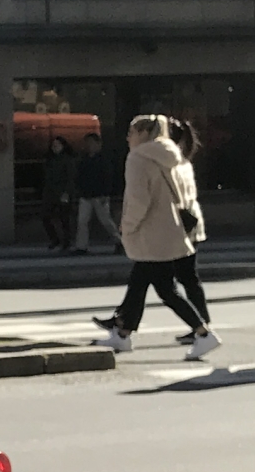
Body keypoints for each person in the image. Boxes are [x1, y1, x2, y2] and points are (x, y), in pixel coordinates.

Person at [91, 115, 210, 354]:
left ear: (145, 133)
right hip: (169, 230)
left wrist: (128, 226)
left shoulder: (139, 158)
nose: (128, 137)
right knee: (142, 282)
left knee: (166, 289)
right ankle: (123, 333)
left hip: (150, 232)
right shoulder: (171, 157)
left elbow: (138, 200)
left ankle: (203, 333)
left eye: (132, 132)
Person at [163, 117, 217, 357]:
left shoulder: (172, 162)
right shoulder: (183, 160)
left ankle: (200, 323)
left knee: (181, 276)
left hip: (181, 224)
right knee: (187, 276)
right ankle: (201, 321)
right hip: (191, 222)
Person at [72, 131, 119, 253]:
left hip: (99, 194)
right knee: (82, 221)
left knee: (105, 221)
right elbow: (79, 176)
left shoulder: (103, 160)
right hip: (86, 194)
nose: (89, 145)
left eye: (92, 143)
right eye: (88, 143)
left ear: (98, 144)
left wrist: (105, 193)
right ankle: (81, 246)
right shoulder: (84, 159)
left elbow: (107, 177)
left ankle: (119, 240)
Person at [39, 137, 77, 252]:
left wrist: (67, 192)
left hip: (61, 192)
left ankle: (66, 241)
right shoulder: (50, 160)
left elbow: (71, 178)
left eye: (57, 145)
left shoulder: (67, 160)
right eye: (53, 145)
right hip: (50, 192)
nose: (55, 147)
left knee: (64, 218)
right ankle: (55, 239)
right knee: (46, 216)